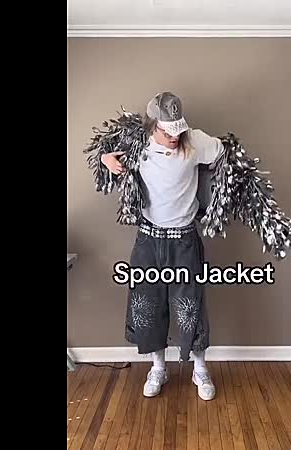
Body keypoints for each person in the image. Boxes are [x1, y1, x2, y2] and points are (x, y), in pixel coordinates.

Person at [100, 92, 224, 400]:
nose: (173, 136)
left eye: (177, 129)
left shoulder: (195, 141)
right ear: (152, 126)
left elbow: (224, 153)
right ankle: (158, 367)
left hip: (185, 240)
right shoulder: (137, 143)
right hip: (148, 239)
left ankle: (199, 369)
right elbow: (104, 151)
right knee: (149, 305)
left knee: (191, 306)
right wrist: (105, 159)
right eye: (167, 131)